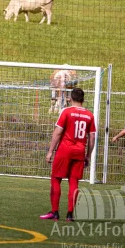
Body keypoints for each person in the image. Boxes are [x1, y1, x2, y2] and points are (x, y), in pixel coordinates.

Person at [40, 88, 95, 222]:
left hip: (65, 150)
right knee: (74, 182)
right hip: (79, 151)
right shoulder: (89, 115)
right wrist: (88, 155)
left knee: (56, 179)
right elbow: (92, 137)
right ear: (83, 99)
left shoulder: (66, 111)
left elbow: (58, 132)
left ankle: (55, 212)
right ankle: (70, 214)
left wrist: (50, 151)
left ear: (70, 98)